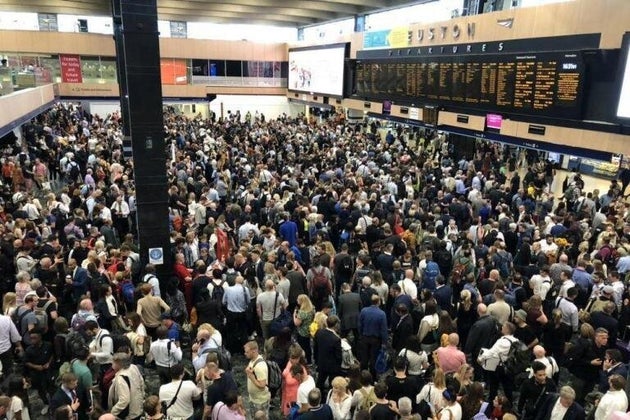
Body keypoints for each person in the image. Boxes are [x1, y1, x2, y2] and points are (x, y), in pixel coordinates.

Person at [477, 321, 518, 402]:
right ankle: (509, 404)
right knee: (507, 387)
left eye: (503, 327)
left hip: (497, 367)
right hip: (509, 367)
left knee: (493, 387)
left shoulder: (502, 341)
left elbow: (491, 352)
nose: (501, 328)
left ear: (507, 330)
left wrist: (480, 359)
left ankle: (492, 404)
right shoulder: (515, 340)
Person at [23, 328, 53, 415]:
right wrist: (36, 367)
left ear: (40, 338)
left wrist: (48, 363)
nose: (32, 340)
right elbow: (26, 362)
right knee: (40, 390)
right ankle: (46, 404)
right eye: (31, 338)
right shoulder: (29, 350)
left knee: (50, 388)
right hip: (36, 374)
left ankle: (53, 403)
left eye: (34, 338)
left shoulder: (48, 345)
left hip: (47, 372)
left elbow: (52, 355)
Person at [108, 352, 145, 420]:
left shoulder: (121, 379)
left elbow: (124, 400)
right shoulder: (134, 367)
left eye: (113, 362)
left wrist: (113, 412)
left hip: (129, 414)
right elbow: (141, 383)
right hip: (138, 407)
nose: (112, 364)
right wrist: (142, 399)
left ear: (119, 364)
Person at [358, 294, 388, 377]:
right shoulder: (382, 314)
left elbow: (360, 325)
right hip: (376, 340)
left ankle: (362, 375)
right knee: (373, 359)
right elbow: (383, 330)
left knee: (364, 358)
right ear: (378, 302)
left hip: (365, 337)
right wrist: (384, 343)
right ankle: (372, 377)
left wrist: (361, 335)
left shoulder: (364, 311)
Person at [314, 315, 343, 393]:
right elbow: (338, 357)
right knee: (332, 385)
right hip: (332, 367)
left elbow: (315, 348)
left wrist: (316, 360)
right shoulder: (336, 339)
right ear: (336, 325)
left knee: (320, 382)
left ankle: (318, 397)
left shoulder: (319, 332)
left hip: (321, 362)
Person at [223, 276, 251, 354]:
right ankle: (244, 349)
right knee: (243, 331)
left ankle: (231, 349)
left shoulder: (228, 289)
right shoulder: (245, 289)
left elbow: (223, 301)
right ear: (242, 282)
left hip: (231, 313)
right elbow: (248, 301)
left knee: (230, 331)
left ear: (235, 281)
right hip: (242, 313)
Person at [244, 340, 271, 418]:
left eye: (247, 352)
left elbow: (262, 385)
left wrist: (251, 377)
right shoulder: (253, 360)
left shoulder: (260, 366)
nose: (245, 354)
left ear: (254, 351)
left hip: (260, 400)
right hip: (253, 399)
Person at [293, 294, 315, 365]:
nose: (297, 301)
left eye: (298, 300)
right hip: (309, 330)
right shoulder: (312, 308)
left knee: (302, 347)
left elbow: (297, 323)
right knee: (308, 346)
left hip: (302, 332)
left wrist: (294, 315)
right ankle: (310, 361)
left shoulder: (302, 312)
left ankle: (303, 361)